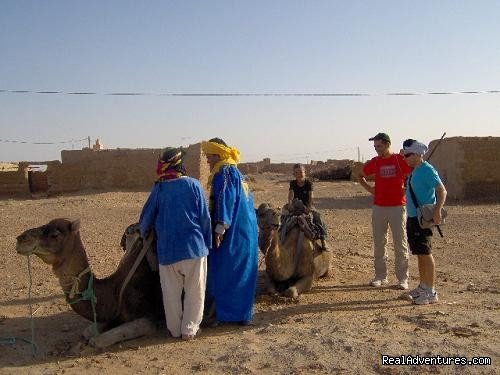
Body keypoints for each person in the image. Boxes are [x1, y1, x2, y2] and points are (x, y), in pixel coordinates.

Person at [139, 147, 211, 340]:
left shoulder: (160, 188)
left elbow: (146, 218)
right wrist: (208, 242)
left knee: (171, 295)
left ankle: (174, 330)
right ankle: (190, 330)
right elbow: (205, 218)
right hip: (194, 249)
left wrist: (143, 232)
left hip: (168, 251)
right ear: (181, 164)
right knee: (195, 293)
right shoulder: (194, 185)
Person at [201, 137, 258, 326]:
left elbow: (226, 199)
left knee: (223, 269)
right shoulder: (237, 173)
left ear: (219, 155)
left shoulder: (224, 173)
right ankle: (243, 315)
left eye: (210, 156)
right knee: (242, 271)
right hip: (246, 231)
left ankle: (220, 315)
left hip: (232, 231)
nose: (207, 160)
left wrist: (220, 228)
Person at [358, 132, 412, 290]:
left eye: (379, 146)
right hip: (379, 207)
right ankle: (380, 276)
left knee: (400, 243)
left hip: (397, 206)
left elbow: (412, 174)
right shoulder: (374, 162)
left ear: (388, 144)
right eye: (375, 147)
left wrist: (406, 189)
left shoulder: (399, 159)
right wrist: (370, 189)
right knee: (379, 243)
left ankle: (402, 279)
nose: (376, 149)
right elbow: (360, 175)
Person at [402, 139, 447, 305]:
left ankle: (431, 291)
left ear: (417, 154)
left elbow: (442, 190)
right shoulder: (415, 171)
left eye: (408, 155)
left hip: (422, 218)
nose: (405, 158)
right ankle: (423, 286)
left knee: (426, 253)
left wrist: (437, 211)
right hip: (413, 217)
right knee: (420, 253)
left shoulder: (427, 170)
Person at [288, 163, 328, 250]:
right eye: (296, 172)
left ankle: (323, 239)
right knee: (283, 216)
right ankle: (281, 237)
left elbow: (311, 197)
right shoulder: (293, 183)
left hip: (306, 204)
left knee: (318, 216)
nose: (299, 174)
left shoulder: (308, 183)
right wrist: (290, 204)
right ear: (294, 174)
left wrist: (308, 207)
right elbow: (291, 195)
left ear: (305, 172)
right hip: (296, 204)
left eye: (301, 172)